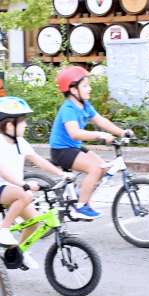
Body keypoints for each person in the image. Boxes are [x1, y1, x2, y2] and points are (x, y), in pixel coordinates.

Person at [0, 96, 65, 269]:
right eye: (22, 121)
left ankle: (19, 251)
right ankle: (2, 230)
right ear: (10, 125)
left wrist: (62, 174)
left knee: (35, 222)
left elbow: (39, 160)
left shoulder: (21, 142)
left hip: (12, 188)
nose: (26, 125)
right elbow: (4, 173)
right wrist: (23, 184)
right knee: (25, 194)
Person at [47, 66, 131, 220]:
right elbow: (75, 133)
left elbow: (102, 121)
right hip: (61, 150)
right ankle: (80, 207)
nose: (89, 89)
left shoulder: (85, 106)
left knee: (104, 169)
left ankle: (80, 196)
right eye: (85, 86)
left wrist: (121, 132)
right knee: (95, 168)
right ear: (73, 90)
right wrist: (100, 135)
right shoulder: (68, 108)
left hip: (74, 147)